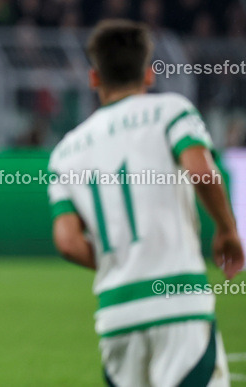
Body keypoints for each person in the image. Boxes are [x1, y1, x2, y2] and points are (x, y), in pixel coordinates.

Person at [49, 20, 243, 386]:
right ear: (149, 73)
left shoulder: (66, 152)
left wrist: (120, 264)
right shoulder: (171, 111)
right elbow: (202, 173)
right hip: (179, 303)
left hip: (117, 314)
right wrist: (227, 231)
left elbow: (68, 242)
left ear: (94, 78)